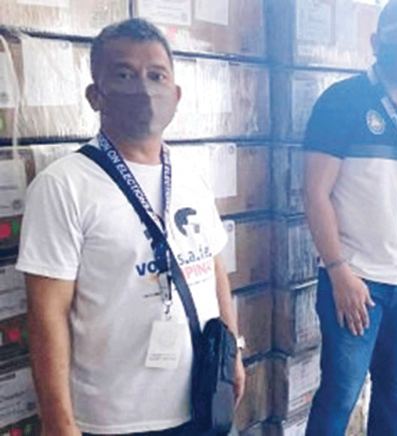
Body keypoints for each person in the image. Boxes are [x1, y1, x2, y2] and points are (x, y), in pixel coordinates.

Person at [16, 19, 244, 435]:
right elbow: (47, 314)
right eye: (123, 74)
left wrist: (233, 354)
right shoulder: (64, 185)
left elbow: (214, 270)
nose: (143, 87)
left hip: (203, 400)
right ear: (94, 95)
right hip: (115, 419)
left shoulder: (190, 176)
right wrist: (57, 420)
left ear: (175, 95)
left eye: (156, 75)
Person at [302, 1, 397, 434]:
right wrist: (339, 272)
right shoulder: (341, 102)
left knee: (394, 390)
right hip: (356, 280)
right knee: (340, 392)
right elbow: (315, 193)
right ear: (376, 42)